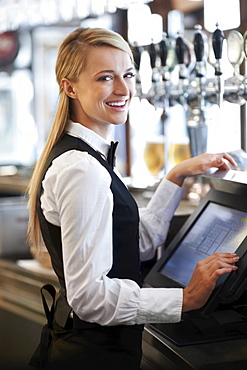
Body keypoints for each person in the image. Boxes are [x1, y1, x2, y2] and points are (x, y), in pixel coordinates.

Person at [27, 27, 239, 370]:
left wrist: (176, 176)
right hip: (90, 358)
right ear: (69, 87)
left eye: (128, 74)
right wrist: (185, 299)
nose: (124, 90)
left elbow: (134, 245)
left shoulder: (91, 157)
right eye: (105, 78)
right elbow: (89, 299)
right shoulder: (82, 169)